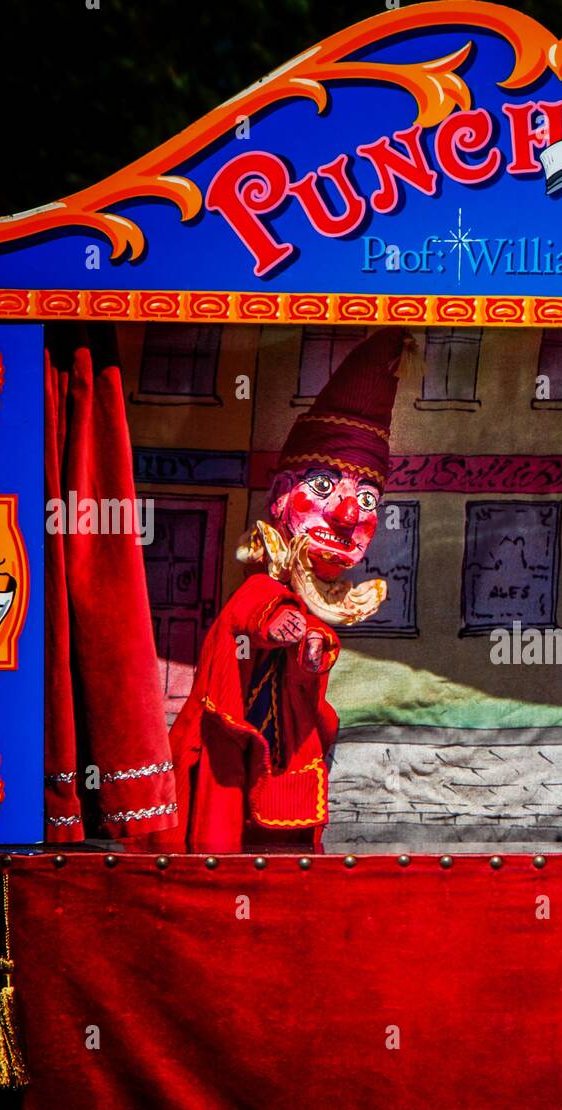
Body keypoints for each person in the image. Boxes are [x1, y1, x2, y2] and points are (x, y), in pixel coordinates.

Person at [151, 327, 408, 852]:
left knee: (285, 827)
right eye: (321, 487)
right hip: (236, 738)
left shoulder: (320, 595)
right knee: (222, 820)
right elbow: (248, 614)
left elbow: (313, 646)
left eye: (366, 498)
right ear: (280, 495)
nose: (345, 513)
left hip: (285, 741)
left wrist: (313, 652)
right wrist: (274, 624)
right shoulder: (269, 586)